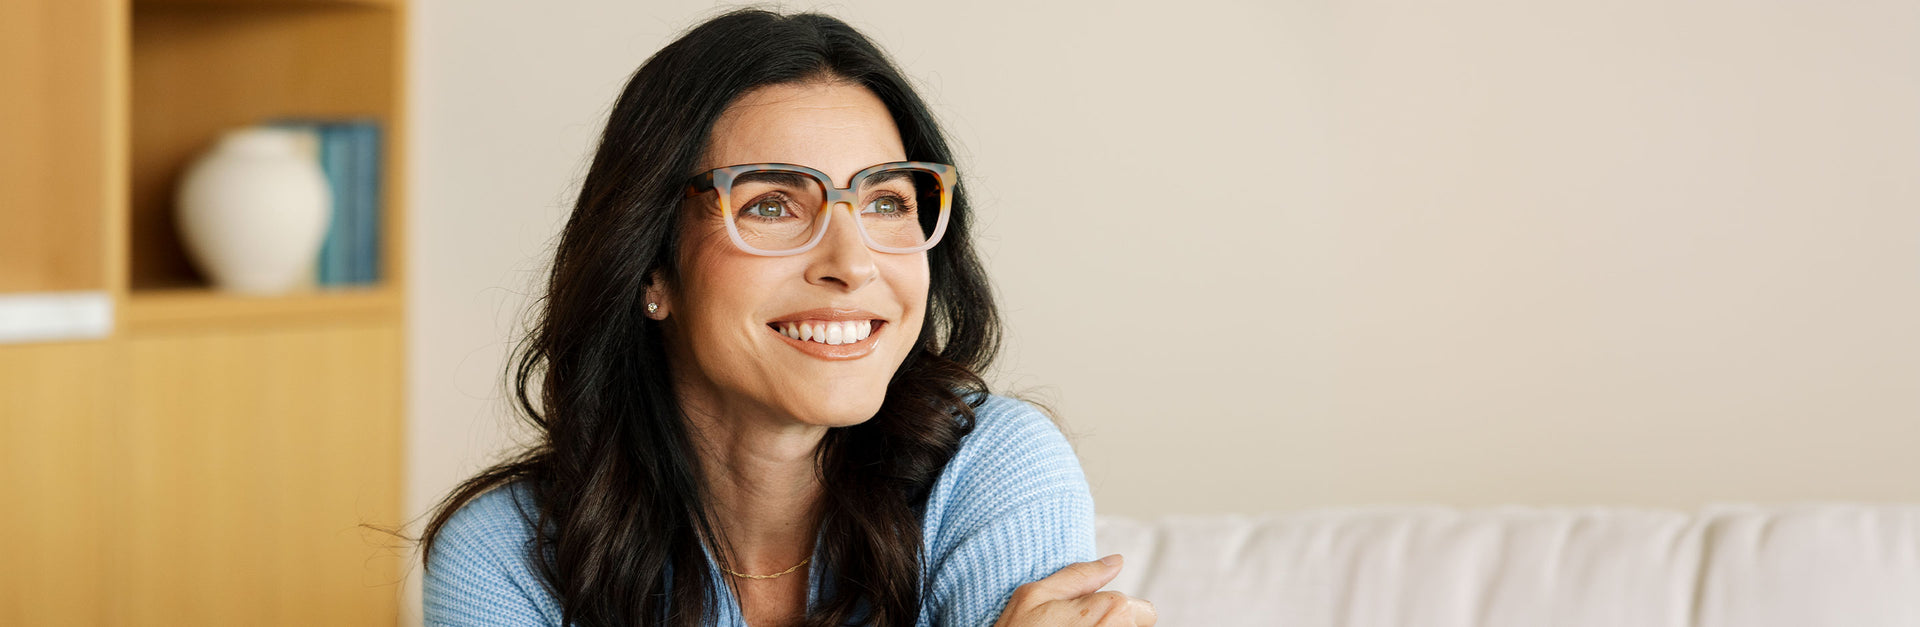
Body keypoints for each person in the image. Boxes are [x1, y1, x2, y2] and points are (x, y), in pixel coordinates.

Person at [419, 9, 1155, 627]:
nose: (854, 261)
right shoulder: (503, 556)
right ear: (650, 265)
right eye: (771, 204)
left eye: (887, 202)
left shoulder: (995, 467)